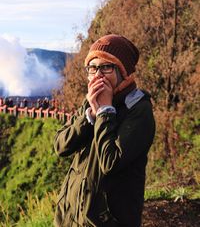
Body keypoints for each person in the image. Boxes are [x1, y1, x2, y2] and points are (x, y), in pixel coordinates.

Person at [54, 34, 155, 227]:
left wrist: (105, 112)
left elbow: (111, 162)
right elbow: (60, 146)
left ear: (124, 72)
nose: (98, 75)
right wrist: (89, 116)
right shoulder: (90, 102)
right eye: (92, 68)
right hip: (70, 217)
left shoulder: (139, 110)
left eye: (106, 67)